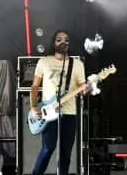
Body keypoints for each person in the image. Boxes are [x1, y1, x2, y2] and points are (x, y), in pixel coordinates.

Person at [30, 30, 89, 175]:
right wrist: (33, 106)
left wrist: (86, 89)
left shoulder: (77, 64)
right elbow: (35, 86)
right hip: (49, 112)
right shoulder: (44, 61)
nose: (63, 42)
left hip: (69, 113)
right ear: (53, 42)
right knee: (48, 148)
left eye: (66, 40)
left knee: (66, 153)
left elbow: (82, 89)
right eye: (59, 39)